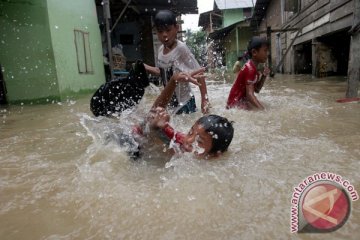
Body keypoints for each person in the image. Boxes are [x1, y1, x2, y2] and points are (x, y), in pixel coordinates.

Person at [132, 69, 234, 159]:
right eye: (190, 132)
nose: (189, 141)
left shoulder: (211, 164)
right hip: (133, 144)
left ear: (215, 155)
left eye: (199, 142)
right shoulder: (179, 141)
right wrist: (173, 81)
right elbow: (152, 116)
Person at [144, 10, 210, 115]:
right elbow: (162, 72)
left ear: (176, 29)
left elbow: (199, 74)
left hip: (185, 102)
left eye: (168, 30)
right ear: (156, 32)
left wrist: (204, 100)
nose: (165, 35)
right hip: (170, 103)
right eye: (160, 31)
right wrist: (146, 67)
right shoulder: (161, 50)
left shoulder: (181, 49)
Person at [226, 37, 270, 110]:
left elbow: (257, 90)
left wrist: (264, 76)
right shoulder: (250, 69)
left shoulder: (254, 69)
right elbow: (250, 95)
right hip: (235, 104)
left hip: (241, 102)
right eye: (265, 51)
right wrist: (264, 111)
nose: (267, 54)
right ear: (254, 52)